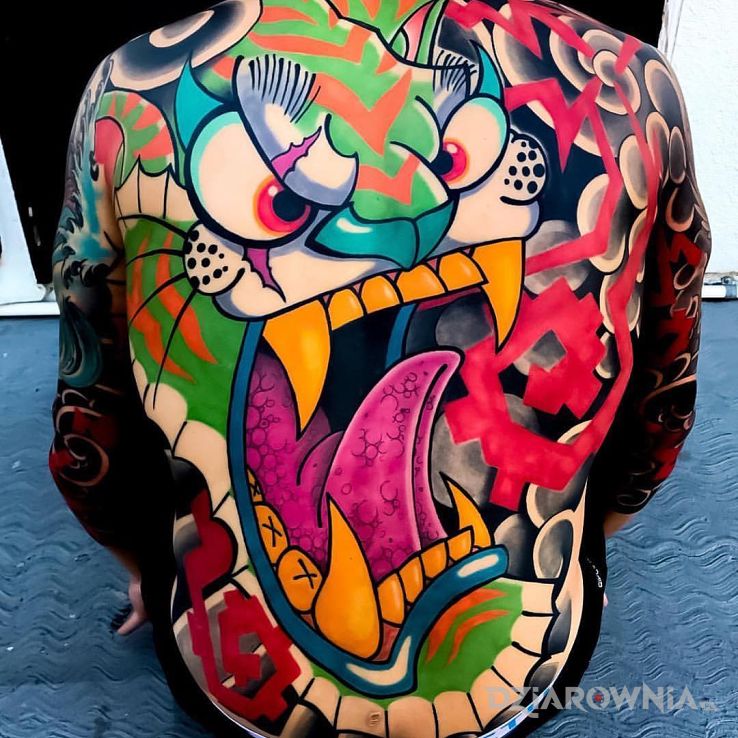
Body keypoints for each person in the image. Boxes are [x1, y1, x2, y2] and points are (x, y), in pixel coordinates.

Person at [49, 0, 710, 735]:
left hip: (238, 685)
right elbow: (665, 406)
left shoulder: (128, 90)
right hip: (530, 667)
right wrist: (580, 547)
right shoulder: (632, 84)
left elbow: (88, 444)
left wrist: (153, 568)